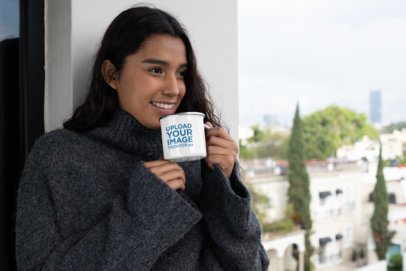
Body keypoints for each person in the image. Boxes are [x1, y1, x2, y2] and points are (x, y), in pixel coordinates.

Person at [15, 6, 269, 271]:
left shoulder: (197, 156)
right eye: (156, 70)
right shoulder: (58, 156)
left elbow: (252, 266)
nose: (174, 89)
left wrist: (225, 185)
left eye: (181, 73)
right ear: (112, 75)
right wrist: (143, 210)